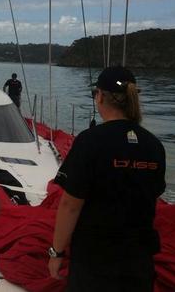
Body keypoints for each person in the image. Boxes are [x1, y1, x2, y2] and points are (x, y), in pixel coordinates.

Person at [48, 66, 166, 291]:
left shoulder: (89, 141)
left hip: (95, 258)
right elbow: (153, 195)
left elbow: (70, 205)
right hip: (139, 258)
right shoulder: (154, 145)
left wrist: (57, 252)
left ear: (100, 96)